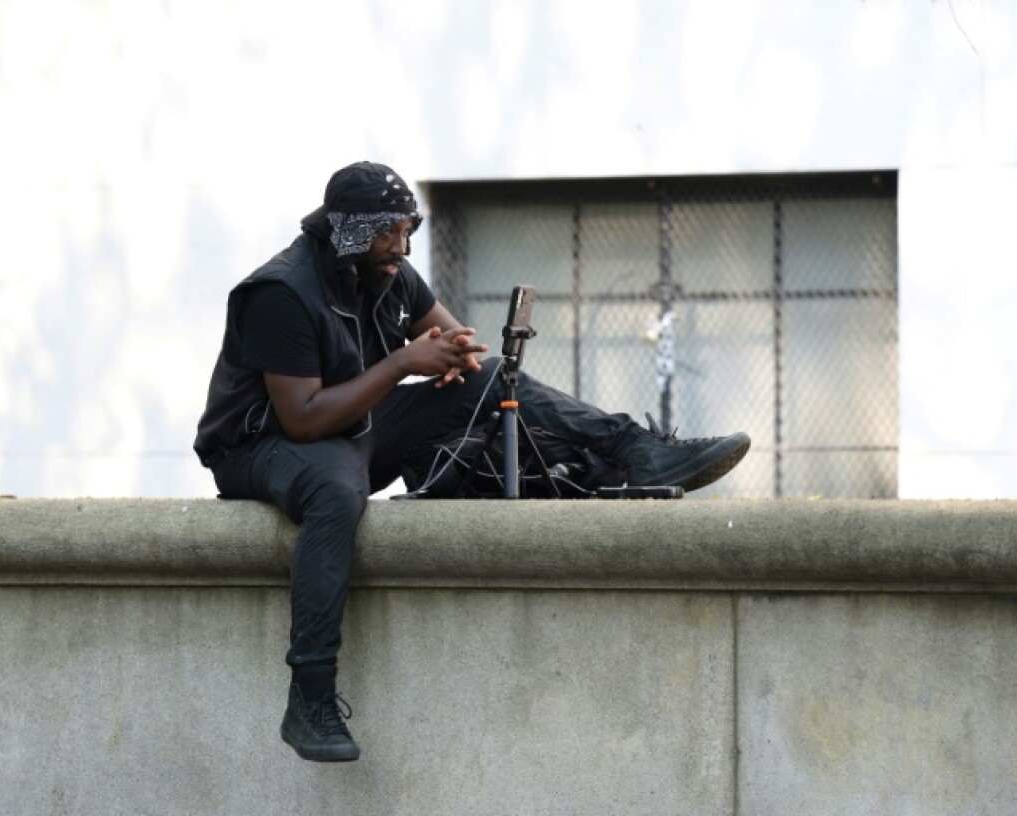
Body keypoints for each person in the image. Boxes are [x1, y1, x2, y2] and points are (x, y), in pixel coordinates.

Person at [194, 161, 749, 763]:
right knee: (336, 490)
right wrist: (406, 363)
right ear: (352, 231)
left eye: (408, 231)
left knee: (490, 382)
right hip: (264, 446)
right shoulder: (281, 293)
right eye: (389, 233)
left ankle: (631, 455)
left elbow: (461, 347)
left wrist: (457, 353)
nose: (402, 247)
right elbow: (301, 417)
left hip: (346, 427)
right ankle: (310, 696)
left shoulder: (389, 272)